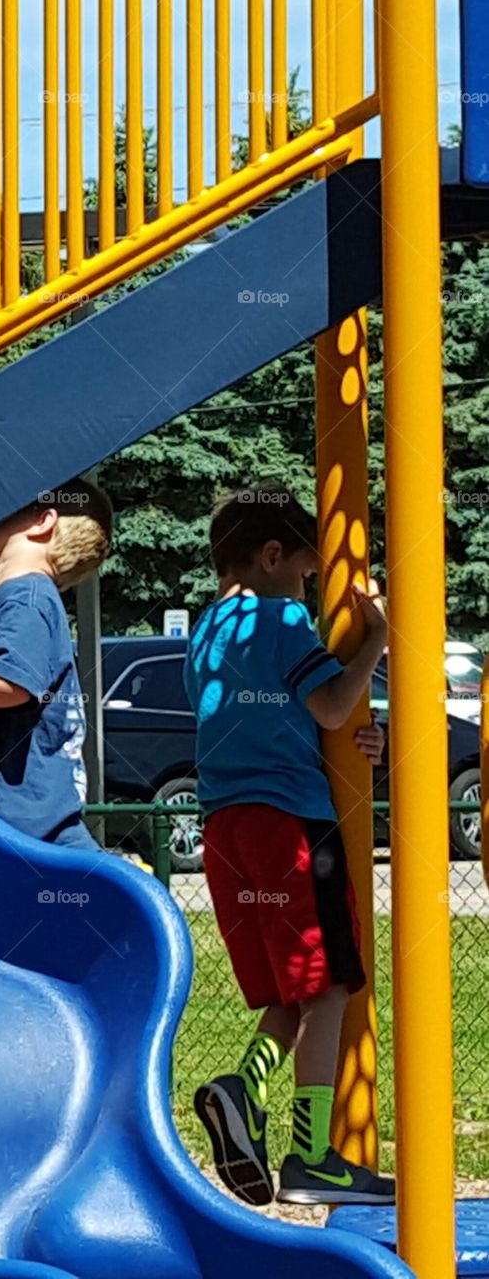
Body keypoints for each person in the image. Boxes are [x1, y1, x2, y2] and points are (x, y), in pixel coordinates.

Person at [184, 482, 395, 1208]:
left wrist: (352, 745)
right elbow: (330, 705)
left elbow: (280, 721)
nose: (307, 585)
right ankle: (310, 1158)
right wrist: (375, 641)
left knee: (289, 995)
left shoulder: (206, 631)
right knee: (331, 985)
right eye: (305, 571)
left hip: (224, 830)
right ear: (272, 555)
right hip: (289, 825)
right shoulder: (277, 618)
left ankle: (239, 1089)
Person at [0, 480, 112, 850]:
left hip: (31, 821)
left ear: (43, 522)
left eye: (4, 506)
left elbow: (11, 685)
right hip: (28, 816)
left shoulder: (27, 594)